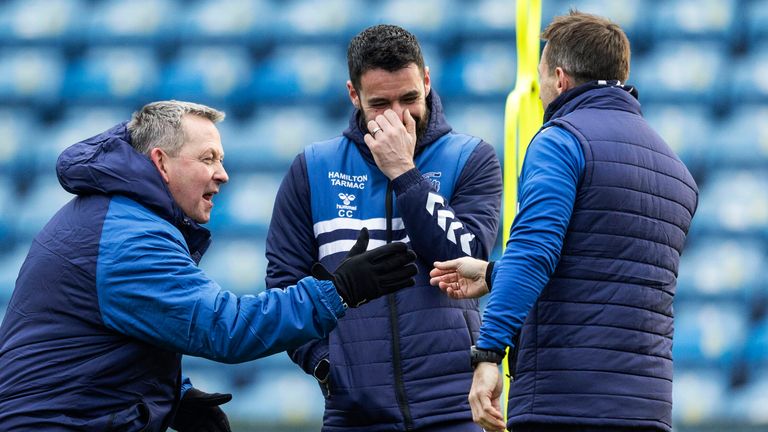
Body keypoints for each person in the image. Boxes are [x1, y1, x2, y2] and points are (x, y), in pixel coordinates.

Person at [0, 100, 418, 431]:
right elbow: (225, 329)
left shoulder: (115, 216)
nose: (223, 174)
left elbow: (105, 339)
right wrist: (338, 291)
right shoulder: (130, 237)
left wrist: (173, 396)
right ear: (161, 162)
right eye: (208, 159)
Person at [430, 11, 699, 432]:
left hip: (565, 403)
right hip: (647, 409)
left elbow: (535, 252)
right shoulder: (676, 170)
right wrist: (494, 274)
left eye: (540, 83)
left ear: (559, 78)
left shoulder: (561, 140)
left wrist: (487, 354)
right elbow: (602, 270)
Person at [265, 24, 503, 431]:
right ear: (353, 95)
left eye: (410, 98)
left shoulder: (471, 158)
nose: (399, 117)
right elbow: (284, 283)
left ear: (426, 81)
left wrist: (404, 174)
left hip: (453, 409)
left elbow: (467, 256)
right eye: (380, 103)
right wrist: (326, 365)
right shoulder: (313, 168)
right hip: (353, 413)